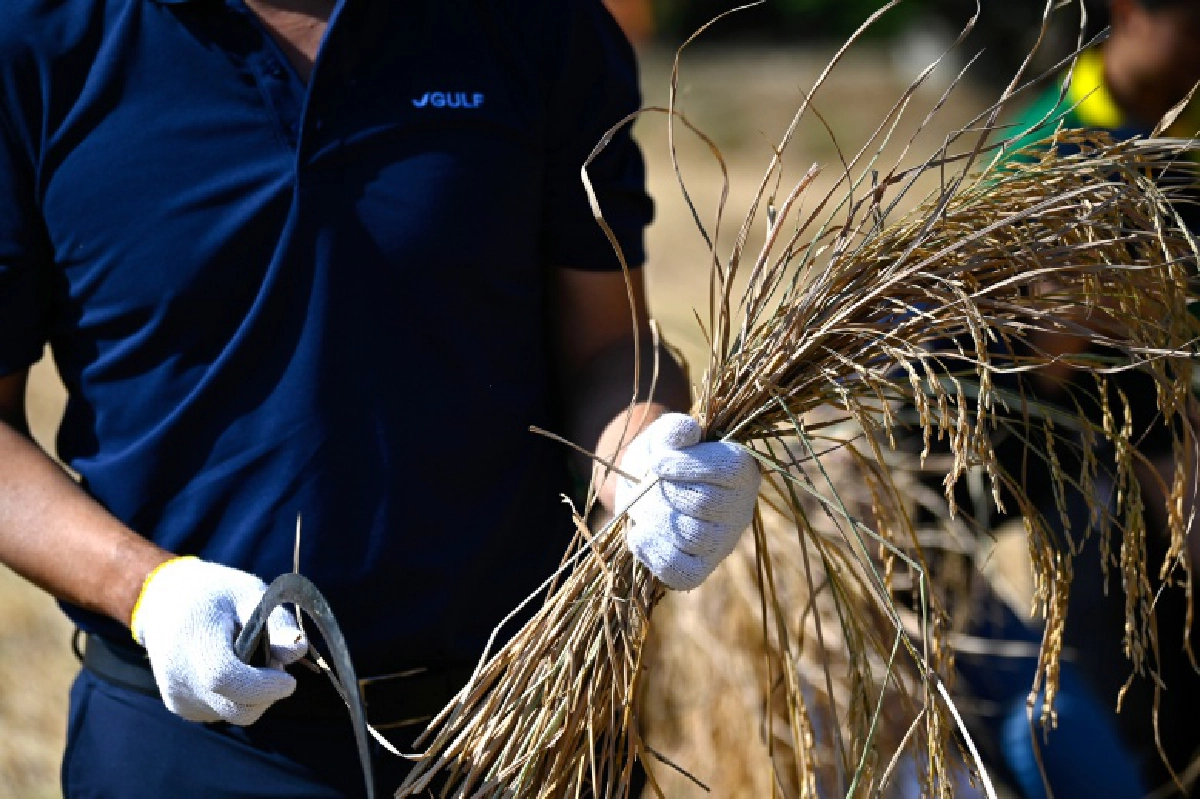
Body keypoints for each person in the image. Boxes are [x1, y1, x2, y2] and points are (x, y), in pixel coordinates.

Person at [0, 1, 761, 796]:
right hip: (191, 745)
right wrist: (148, 589)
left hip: (517, 724)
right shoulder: (37, 38)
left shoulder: (540, 23)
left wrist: (644, 453)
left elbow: (610, 344)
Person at [950, 1, 1200, 795]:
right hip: (1082, 487)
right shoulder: (1043, 149)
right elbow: (991, 382)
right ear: (1131, 11)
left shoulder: (1182, 140)